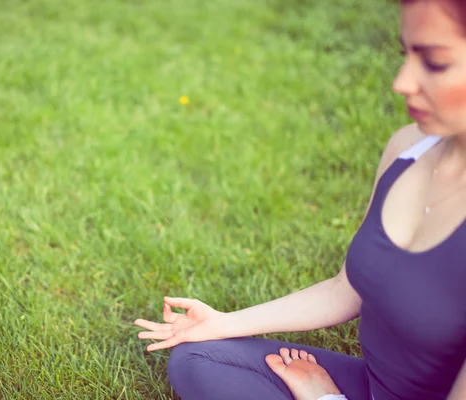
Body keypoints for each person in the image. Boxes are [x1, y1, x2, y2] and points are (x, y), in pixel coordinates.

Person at [134, 1, 466, 399]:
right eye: (405, 54)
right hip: (371, 386)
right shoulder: (408, 147)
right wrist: (222, 323)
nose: (401, 81)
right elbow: (347, 289)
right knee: (199, 356)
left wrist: (324, 398)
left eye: (435, 62)